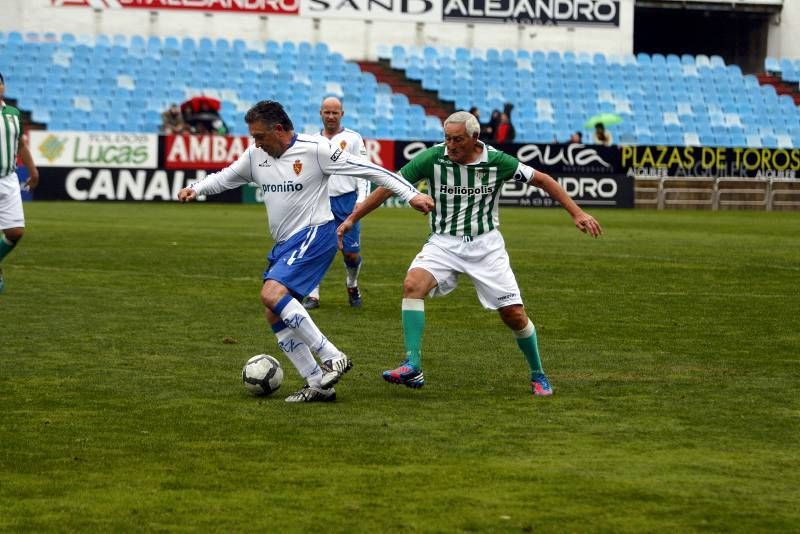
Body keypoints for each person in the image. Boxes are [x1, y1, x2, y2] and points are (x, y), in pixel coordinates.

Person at [177, 100, 434, 402]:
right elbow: (226, 176)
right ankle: (318, 383)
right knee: (273, 312)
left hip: (315, 233)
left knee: (271, 294)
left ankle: (332, 355)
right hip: (286, 243)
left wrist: (411, 194)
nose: (256, 143)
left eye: (260, 136)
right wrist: (198, 188)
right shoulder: (255, 155)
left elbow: (371, 171)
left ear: (279, 129)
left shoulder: (315, 149)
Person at [337, 111, 602, 397]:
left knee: (513, 314)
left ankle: (538, 373)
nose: (450, 145)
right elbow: (392, 184)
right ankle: (412, 365)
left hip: (486, 247)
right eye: (447, 138)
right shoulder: (432, 158)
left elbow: (543, 180)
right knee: (413, 284)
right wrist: (354, 218)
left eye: (457, 139)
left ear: (475, 138)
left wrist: (577, 213)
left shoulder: (498, 161)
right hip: (443, 243)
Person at [302, 96, 370, 310]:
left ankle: (352, 284)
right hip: (320, 202)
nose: (330, 116)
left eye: (335, 112)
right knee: (315, 249)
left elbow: (364, 172)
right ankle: (312, 295)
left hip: (347, 202)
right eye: (327, 112)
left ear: (342, 114)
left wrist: (361, 201)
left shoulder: (353, 139)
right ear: (320, 113)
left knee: (351, 254)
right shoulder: (311, 140)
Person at [0, 71, 40, 294]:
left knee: (15, 232)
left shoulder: (14, 114)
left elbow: (21, 145)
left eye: (0, 83)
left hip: (8, 179)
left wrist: (33, 172)